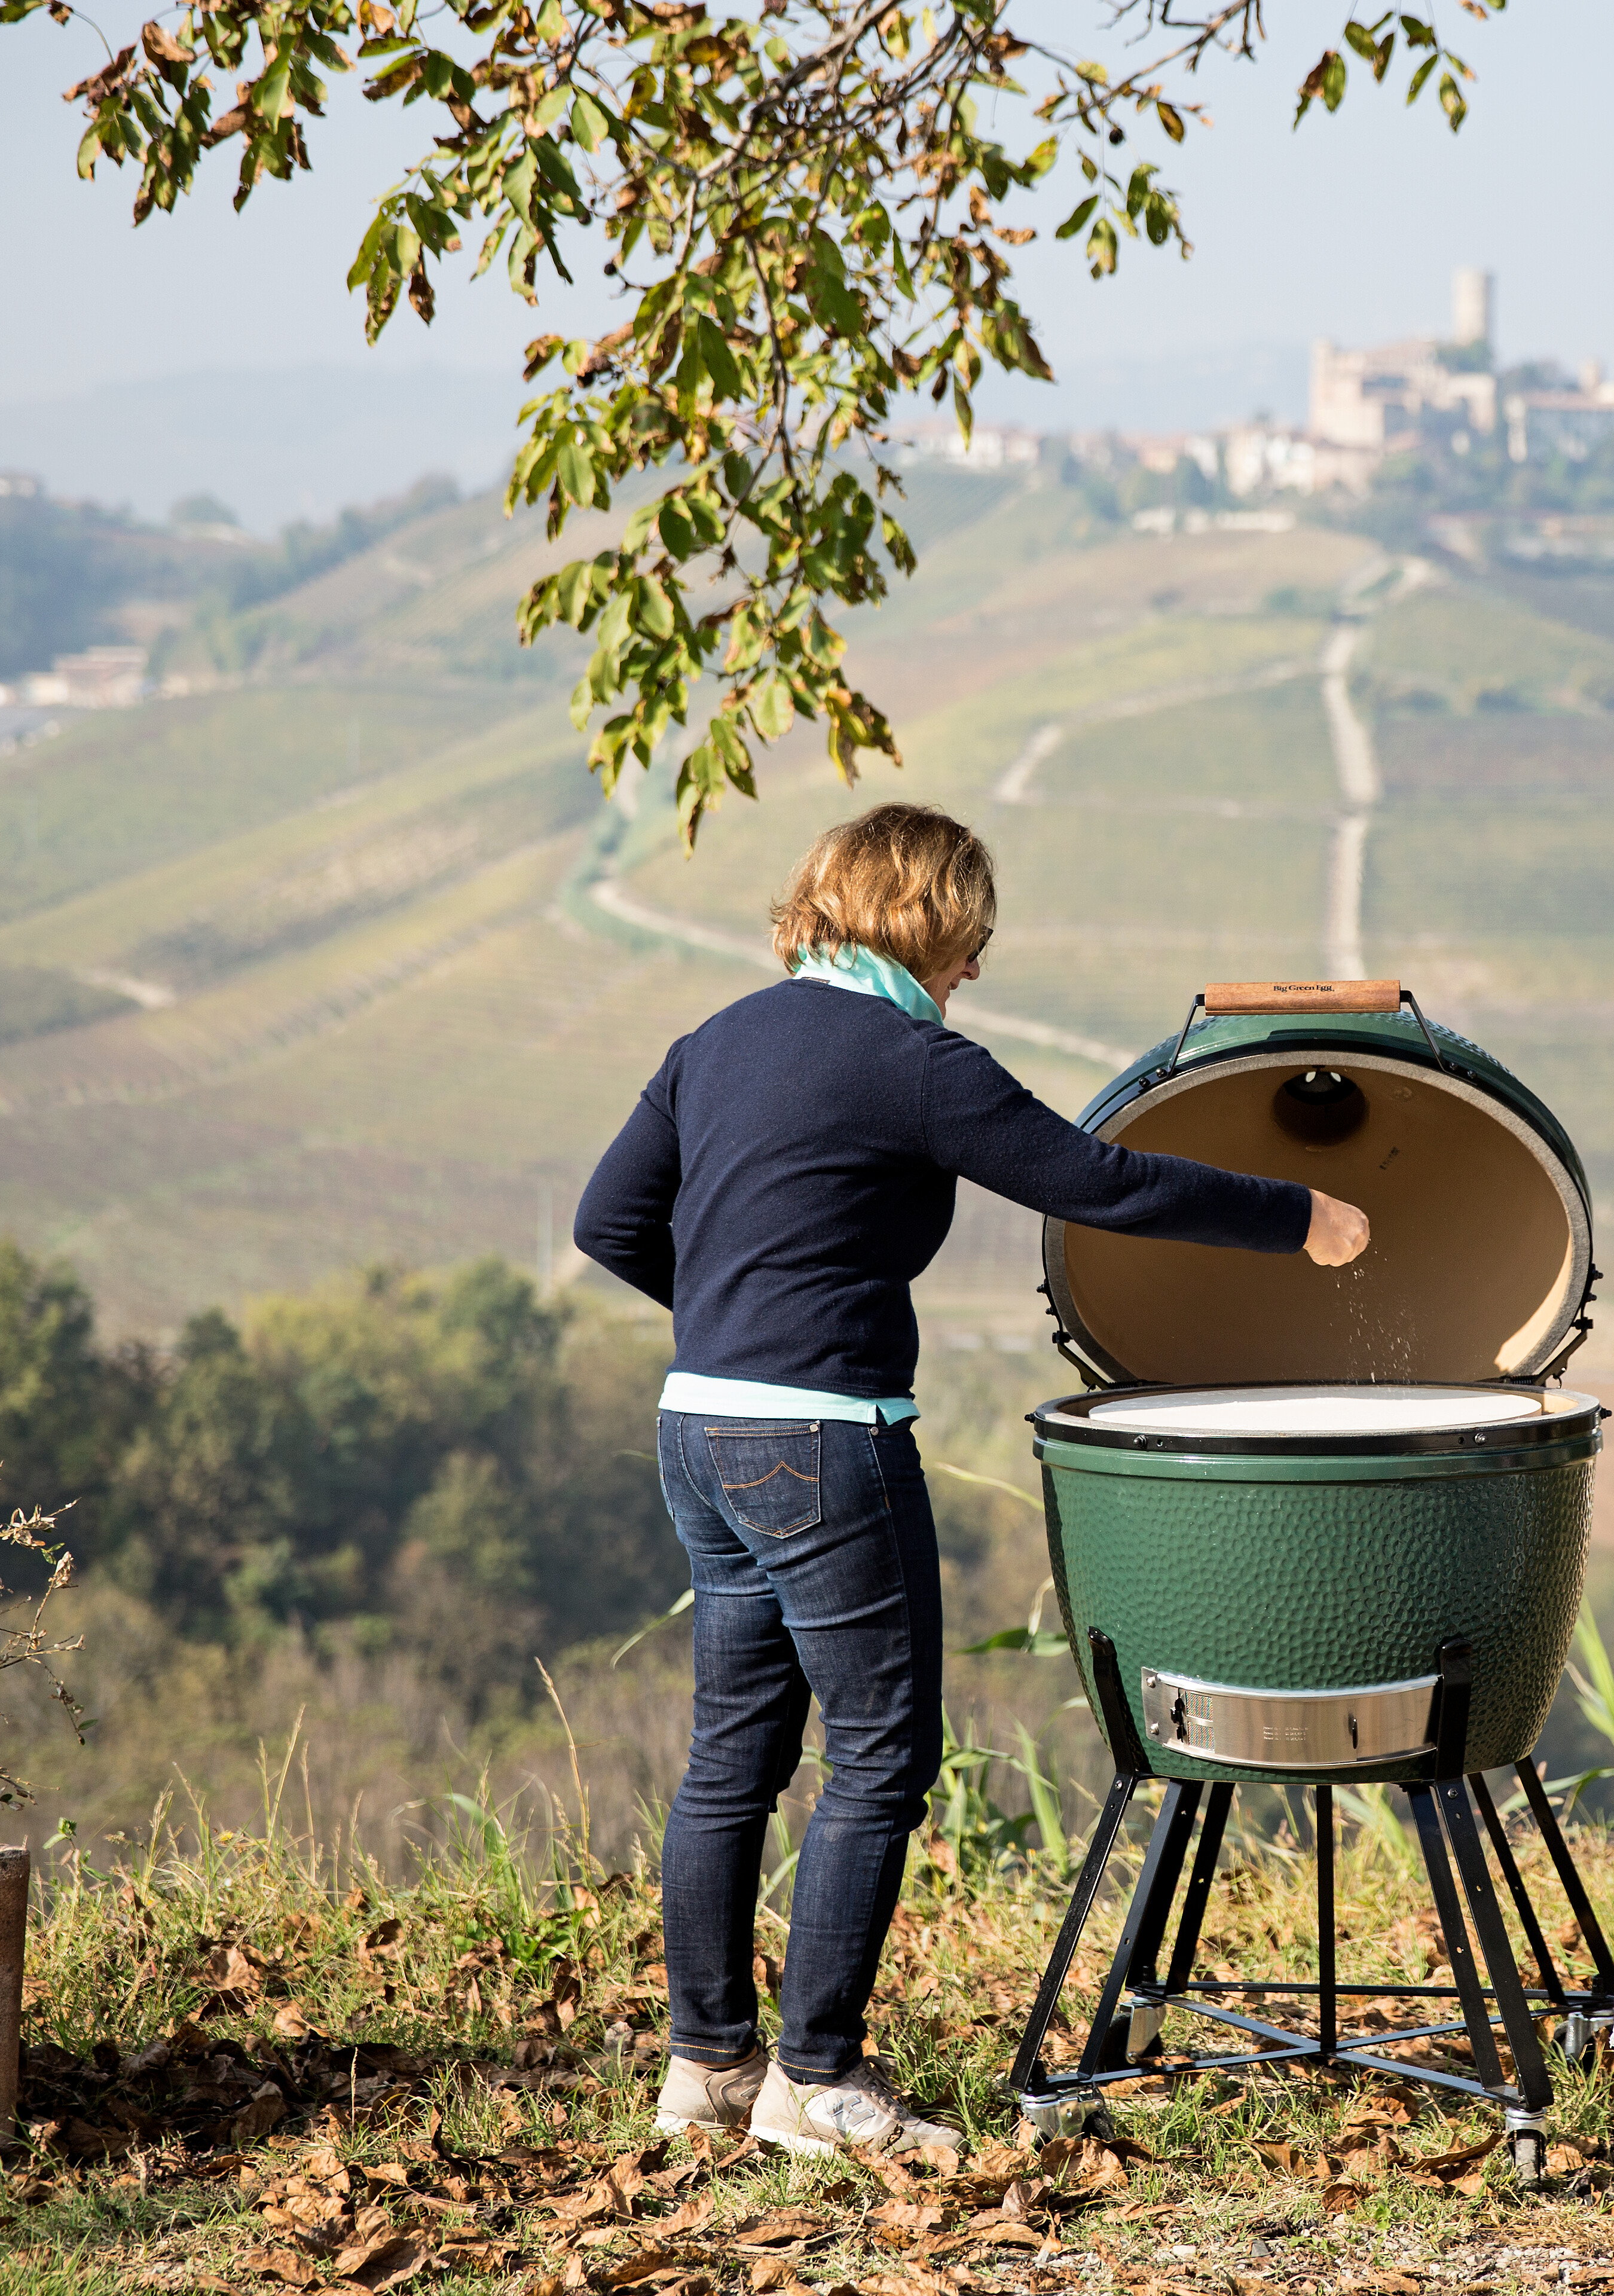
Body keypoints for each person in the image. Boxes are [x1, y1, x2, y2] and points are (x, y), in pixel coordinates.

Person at [573, 802, 1371, 2158]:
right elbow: (1095, 1181)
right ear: (929, 923)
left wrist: (730, 1323)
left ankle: (706, 2068)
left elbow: (608, 1221)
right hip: (823, 1438)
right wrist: (1300, 1216)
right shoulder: (908, 1061)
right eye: (975, 935)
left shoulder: (717, 1043)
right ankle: (815, 2082)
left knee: (732, 1761)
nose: (979, 970)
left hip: (699, 1431)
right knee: (882, 1756)